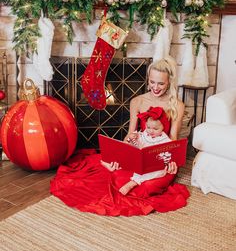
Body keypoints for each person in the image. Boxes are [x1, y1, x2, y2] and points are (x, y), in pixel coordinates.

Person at [50, 57, 189, 216]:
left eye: (161, 83)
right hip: (142, 149)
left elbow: (173, 138)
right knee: (117, 175)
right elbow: (131, 134)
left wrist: (171, 161)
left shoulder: (177, 105)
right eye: (152, 82)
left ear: (169, 82)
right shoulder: (137, 101)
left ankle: (135, 179)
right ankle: (115, 164)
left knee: (149, 187)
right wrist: (124, 151)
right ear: (148, 79)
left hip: (162, 159)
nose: (155, 87)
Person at [118, 106, 172, 195]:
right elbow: (135, 140)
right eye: (148, 127)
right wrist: (132, 137)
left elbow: (170, 153)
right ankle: (118, 164)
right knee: (129, 157)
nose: (151, 131)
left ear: (163, 127)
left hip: (154, 165)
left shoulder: (165, 140)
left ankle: (133, 183)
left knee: (157, 171)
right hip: (140, 160)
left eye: (155, 129)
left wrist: (165, 159)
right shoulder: (144, 134)